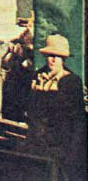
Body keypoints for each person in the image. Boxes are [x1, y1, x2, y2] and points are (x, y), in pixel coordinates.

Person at [27, 34, 86, 181]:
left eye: (57, 56)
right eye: (50, 55)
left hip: (62, 145)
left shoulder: (71, 81)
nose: (52, 60)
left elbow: (78, 120)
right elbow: (31, 109)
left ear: (64, 59)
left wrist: (73, 150)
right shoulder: (37, 77)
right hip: (38, 143)